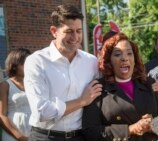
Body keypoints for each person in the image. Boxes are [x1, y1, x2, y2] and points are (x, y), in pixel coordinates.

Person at [23, 4, 102, 141]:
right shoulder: (36, 61)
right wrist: (81, 101)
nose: (75, 37)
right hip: (44, 137)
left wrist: (147, 86)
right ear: (54, 31)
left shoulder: (91, 62)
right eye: (69, 31)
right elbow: (42, 111)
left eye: (78, 31)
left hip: (80, 136)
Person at [82, 32, 158, 141]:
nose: (124, 58)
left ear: (134, 58)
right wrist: (129, 130)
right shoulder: (98, 88)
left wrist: (153, 125)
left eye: (129, 53)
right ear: (109, 60)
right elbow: (90, 131)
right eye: (117, 54)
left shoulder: (149, 83)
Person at [0, 48, 31, 141]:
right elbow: (2, 115)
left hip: (34, 131)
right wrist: (20, 137)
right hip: (14, 132)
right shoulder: (5, 85)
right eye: (24, 63)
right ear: (14, 65)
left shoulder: (34, 84)